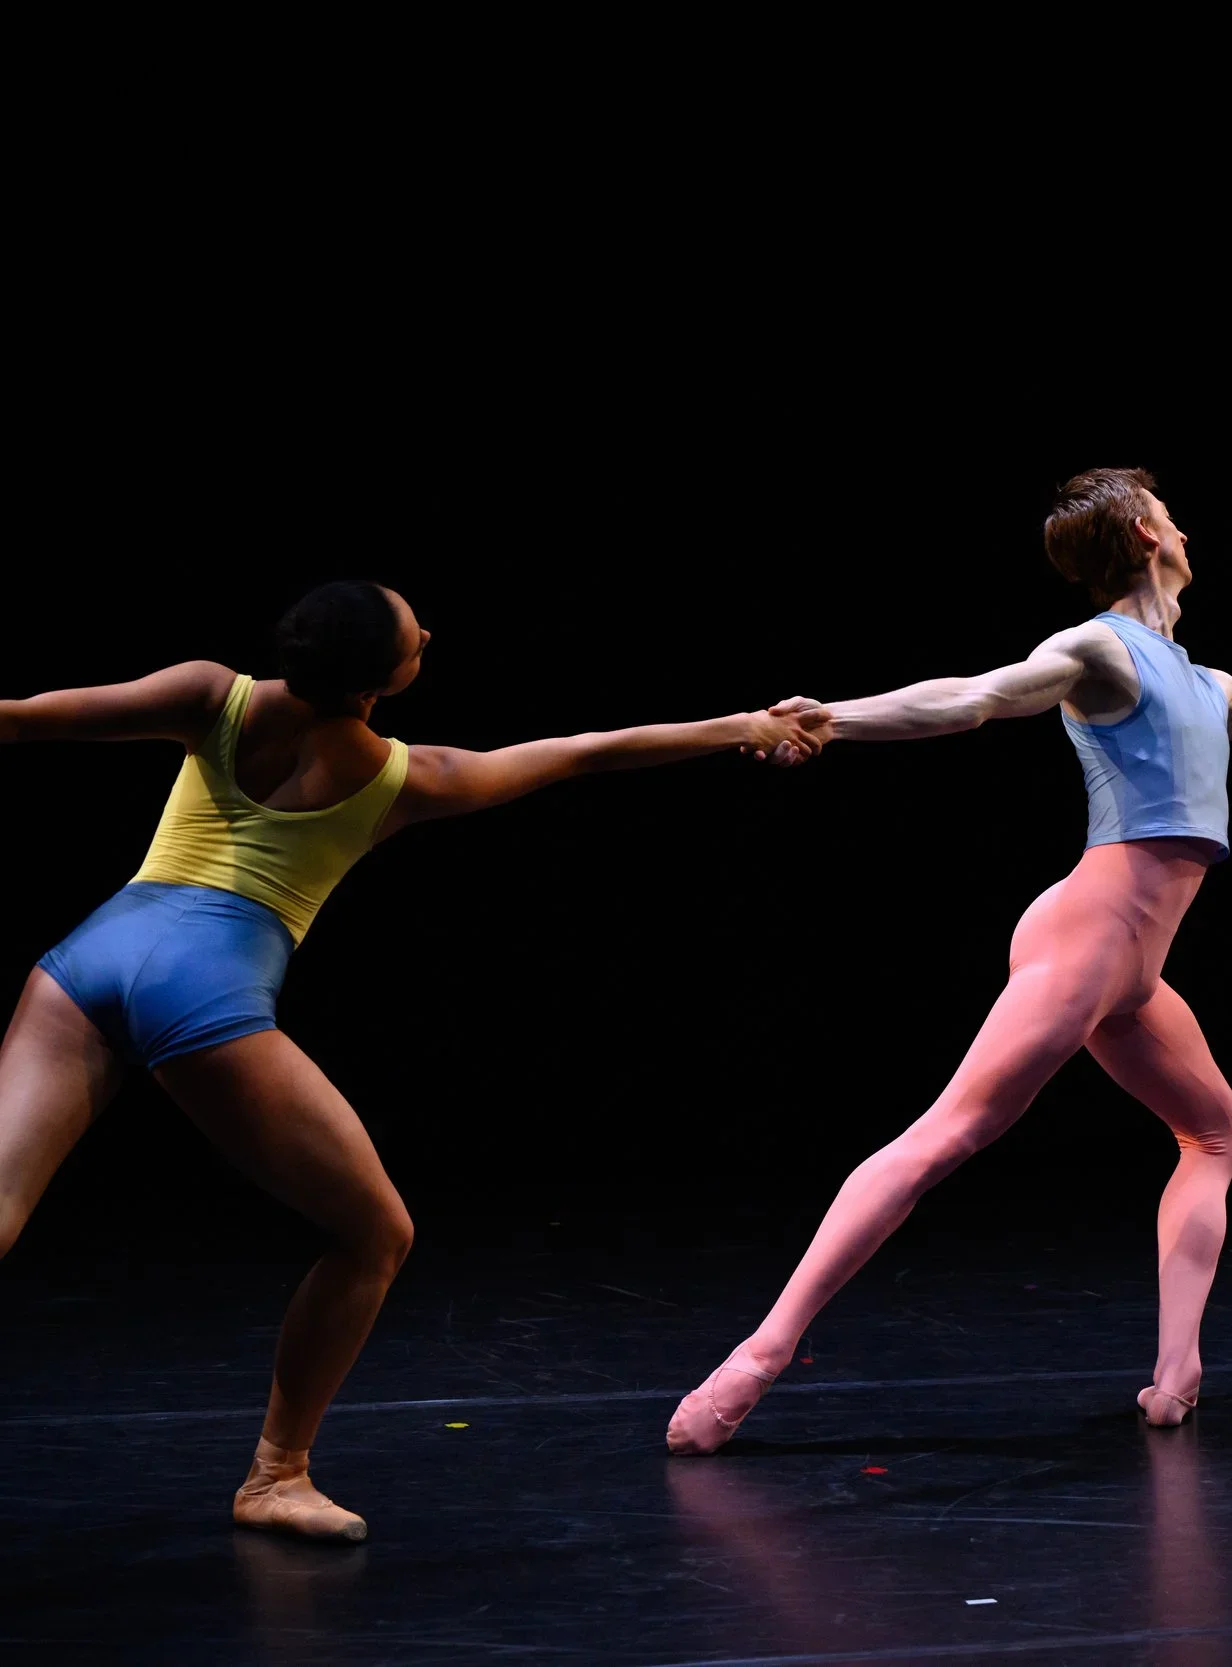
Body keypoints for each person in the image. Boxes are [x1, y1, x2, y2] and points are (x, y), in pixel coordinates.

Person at [666, 468, 1232, 1453]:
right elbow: (973, 698)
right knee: (947, 1133)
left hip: (1130, 962)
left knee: (1215, 1129)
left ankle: (1175, 1371)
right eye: (1175, 515)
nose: (1188, 528)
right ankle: (758, 1355)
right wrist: (833, 717)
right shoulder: (1100, 649)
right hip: (1088, 935)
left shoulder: (1200, 680)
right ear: (1149, 533)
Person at [0, 581, 827, 1542]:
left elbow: (17, 721)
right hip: (203, 988)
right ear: (375, 685)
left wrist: (738, 723)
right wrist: (742, 725)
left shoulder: (208, 695)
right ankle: (276, 1474)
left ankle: (277, 1478)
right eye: (414, 637)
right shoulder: (405, 776)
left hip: (86, 960)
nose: (428, 631)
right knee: (374, 1233)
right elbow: (584, 753)